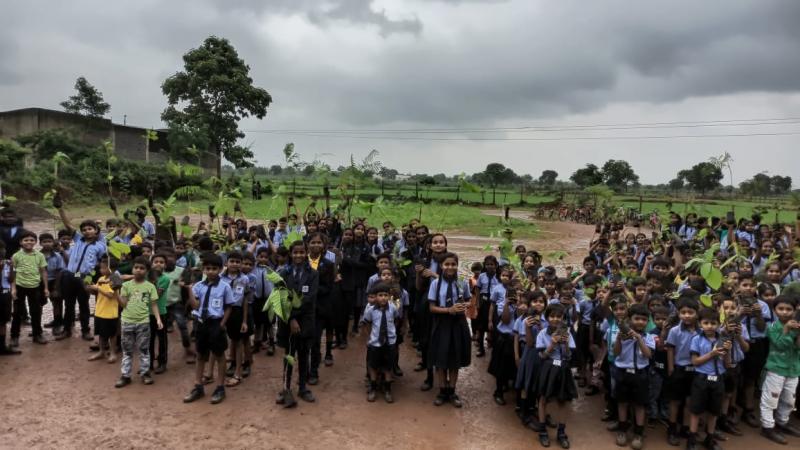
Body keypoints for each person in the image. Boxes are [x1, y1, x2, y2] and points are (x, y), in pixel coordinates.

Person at [184, 254, 235, 404]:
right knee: (200, 355)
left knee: (219, 355)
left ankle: (220, 387)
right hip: (201, 323)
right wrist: (189, 290)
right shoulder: (198, 286)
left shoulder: (225, 286)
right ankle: (198, 386)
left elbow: (229, 307)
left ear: (220, 269)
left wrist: (222, 324)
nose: (211, 271)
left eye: (214, 268)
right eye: (208, 268)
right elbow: (195, 306)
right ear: (203, 269)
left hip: (216, 323)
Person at [275, 240, 319, 408]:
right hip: (288, 321)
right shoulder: (283, 274)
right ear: (290, 254)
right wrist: (291, 319)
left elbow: (309, 299)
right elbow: (281, 297)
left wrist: (296, 316)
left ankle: (302, 387)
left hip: (306, 321)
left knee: (303, 354)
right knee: (289, 355)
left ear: (306, 253)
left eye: (302, 252)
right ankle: (286, 387)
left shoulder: (313, 274)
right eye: (295, 252)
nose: (298, 255)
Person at [427, 251, 471, 408]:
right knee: (440, 360)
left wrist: (465, 305)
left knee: (454, 359)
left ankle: (452, 391)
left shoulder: (462, 282)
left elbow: (468, 299)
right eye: (447, 264)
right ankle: (442, 391)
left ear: (457, 265)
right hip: (442, 324)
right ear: (441, 266)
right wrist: (448, 310)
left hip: (458, 324)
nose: (450, 267)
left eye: (453, 264)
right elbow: (431, 308)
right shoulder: (435, 283)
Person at [55, 205, 107, 341]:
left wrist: (94, 276)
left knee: (84, 304)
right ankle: (67, 330)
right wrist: (60, 208)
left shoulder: (100, 245)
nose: (87, 231)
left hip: (83, 277)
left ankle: (85, 331)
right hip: (70, 275)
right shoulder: (78, 239)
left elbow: (102, 262)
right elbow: (67, 224)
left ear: (96, 231)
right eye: (84, 230)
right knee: (69, 304)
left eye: (90, 229)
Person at [686, 308, 731, 450]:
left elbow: (727, 364)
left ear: (718, 324)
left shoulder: (723, 340)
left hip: (718, 379)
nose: (709, 326)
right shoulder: (696, 340)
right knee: (696, 411)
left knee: (713, 412)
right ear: (700, 324)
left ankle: (709, 439)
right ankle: (691, 440)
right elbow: (695, 362)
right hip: (701, 379)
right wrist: (712, 354)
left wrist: (727, 351)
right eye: (706, 323)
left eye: (713, 323)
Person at [611, 303, 655, 450]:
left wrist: (638, 338)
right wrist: (619, 339)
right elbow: (616, 353)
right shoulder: (621, 334)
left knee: (640, 404)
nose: (640, 322)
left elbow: (648, 355)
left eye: (644, 319)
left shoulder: (649, 336)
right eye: (637, 319)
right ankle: (622, 430)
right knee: (622, 402)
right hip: (623, 372)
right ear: (629, 319)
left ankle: (638, 433)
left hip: (640, 374)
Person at [759, 295, 800, 444]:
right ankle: (767, 427)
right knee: (770, 400)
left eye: (788, 309)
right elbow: (780, 345)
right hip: (775, 368)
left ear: (795, 311)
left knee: (789, 400)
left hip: (793, 369)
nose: (784, 312)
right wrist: (787, 329)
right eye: (780, 309)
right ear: (774, 310)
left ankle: (782, 422)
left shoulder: (797, 326)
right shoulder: (772, 328)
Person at [116, 256, 162, 388]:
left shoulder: (150, 286)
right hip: (127, 321)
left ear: (147, 271)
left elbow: (153, 304)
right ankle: (125, 375)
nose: (138, 270)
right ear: (132, 269)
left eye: (142, 268)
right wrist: (116, 293)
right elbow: (123, 304)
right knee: (127, 350)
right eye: (136, 267)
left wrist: (158, 318)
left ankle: (145, 373)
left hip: (143, 322)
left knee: (144, 349)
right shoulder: (125, 285)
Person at [536, 303, 576, 448]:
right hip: (548, 368)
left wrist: (565, 344)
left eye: (558, 316)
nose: (555, 319)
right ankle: (542, 431)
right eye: (552, 316)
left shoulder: (568, 333)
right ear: (546, 318)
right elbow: (541, 356)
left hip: (563, 368)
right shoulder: (542, 334)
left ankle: (561, 433)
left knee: (563, 400)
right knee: (543, 399)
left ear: (563, 318)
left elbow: (569, 355)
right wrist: (552, 344)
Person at [665, 297, 700, 446]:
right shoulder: (674, 331)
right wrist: (671, 367)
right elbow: (670, 349)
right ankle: (672, 429)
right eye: (683, 312)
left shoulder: (702, 331)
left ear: (697, 314)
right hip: (679, 369)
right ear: (678, 314)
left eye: (690, 312)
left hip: (696, 371)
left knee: (689, 401)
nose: (686, 315)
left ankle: (685, 427)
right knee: (675, 401)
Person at [362, 282, 401, 403]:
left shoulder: (393, 308)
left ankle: (387, 389)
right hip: (375, 343)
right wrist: (369, 338)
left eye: (385, 295)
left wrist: (391, 333)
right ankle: (373, 387)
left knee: (388, 366)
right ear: (376, 296)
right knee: (373, 365)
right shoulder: (371, 310)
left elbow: (396, 320)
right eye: (380, 295)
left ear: (389, 296)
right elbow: (367, 324)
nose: (383, 298)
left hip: (390, 343)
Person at [10, 230, 49, 347]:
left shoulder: (40, 255)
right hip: (19, 287)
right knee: (17, 313)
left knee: (36, 312)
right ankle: (14, 336)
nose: (29, 242)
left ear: (36, 242)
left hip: (35, 287)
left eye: (32, 240)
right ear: (21, 242)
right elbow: (13, 273)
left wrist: (46, 288)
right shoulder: (16, 256)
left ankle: (37, 334)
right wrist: (13, 289)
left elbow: (43, 272)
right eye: (26, 240)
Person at [220, 251, 252, 388]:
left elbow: (245, 300)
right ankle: (223, 368)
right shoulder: (220, 278)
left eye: (238, 262)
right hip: (221, 312)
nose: (235, 264)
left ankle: (238, 372)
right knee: (224, 341)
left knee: (238, 341)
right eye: (232, 261)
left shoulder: (244, 279)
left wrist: (244, 320)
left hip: (237, 312)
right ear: (226, 263)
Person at [86, 256, 120, 363]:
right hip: (100, 311)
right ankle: (101, 351)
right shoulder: (101, 279)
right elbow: (96, 292)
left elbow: (110, 295)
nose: (101, 270)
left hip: (110, 312)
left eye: (104, 268)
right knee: (100, 333)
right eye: (101, 268)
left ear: (112, 269)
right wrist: (90, 288)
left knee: (112, 334)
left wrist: (97, 288)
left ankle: (113, 353)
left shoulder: (115, 279)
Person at [149, 253, 170, 374]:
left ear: (165, 265)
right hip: (146, 313)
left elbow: (156, 295)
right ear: (151, 264)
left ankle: (162, 363)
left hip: (160, 312)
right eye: (156, 261)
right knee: (148, 339)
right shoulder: (146, 276)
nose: (158, 264)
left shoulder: (165, 279)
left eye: (161, 262)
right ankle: (149, 363)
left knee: (162, 339)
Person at [0, 241, 20, 355]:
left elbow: (11, 280)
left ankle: (2, 346)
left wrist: (11, 267)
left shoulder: (7, 263)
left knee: (3, 321)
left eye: (3, 249)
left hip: (5, 294)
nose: (2, 251)